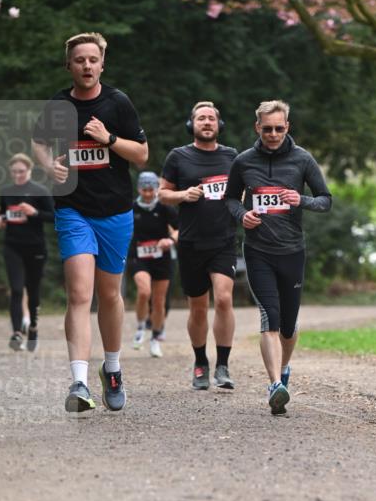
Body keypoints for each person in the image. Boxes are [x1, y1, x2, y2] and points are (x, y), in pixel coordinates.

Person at [31, 32, 148, 413]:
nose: (86, 66)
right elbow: (38, 143)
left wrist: (109, 137)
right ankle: (79, 382)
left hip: (115, 211)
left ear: (101, 64)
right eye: (79, 60)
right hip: (72, 208)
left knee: (110, 295)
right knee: (80, 294)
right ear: (69, 65)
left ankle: (111, 369)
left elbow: (142, 155)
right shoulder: (57, 106)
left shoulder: (118, 103)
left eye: (92, 60)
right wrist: (48, 163)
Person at [225, 99, 332, 415]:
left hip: (292, 251)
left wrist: (302, 199)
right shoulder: (244, 162)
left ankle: (283, 369)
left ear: (288, 127)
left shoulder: (302, 160)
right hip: (258, 251)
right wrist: (242, 215)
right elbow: (231, 199)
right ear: (257, 127)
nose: (273, 134)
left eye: (279, 128)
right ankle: (275, 385)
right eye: (267, 128)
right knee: (269, 316)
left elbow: (326, 200)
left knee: (288, 325)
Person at [158, 101, 238, 390]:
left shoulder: (232, 156)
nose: (206, 122)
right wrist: (183, 194)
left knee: (225, 299)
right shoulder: (178, 157)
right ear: (191, 124)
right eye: (201, 118)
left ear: (219, 125)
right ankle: (201, 361)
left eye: (211, 119)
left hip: (223, 240)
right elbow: (162, 194)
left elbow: (244, 191)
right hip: (191, 242)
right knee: (198, 308)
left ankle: (224, 366)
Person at [0, 153, 54, 352]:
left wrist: (34, 213)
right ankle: (17, 333)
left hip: (35, 248)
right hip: (12, 246)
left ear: (29, 170)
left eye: (21, 171)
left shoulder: (40, 191)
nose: (17, 175)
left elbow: (55, 216)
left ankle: (34, 328)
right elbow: (3, 212)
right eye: (14, 172)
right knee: (17, 289)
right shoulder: (7, 191)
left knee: (33, 292)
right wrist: (0, 220)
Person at [128, 171, 178, 356]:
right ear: (139, 189)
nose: (148, 194)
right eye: (144, 190)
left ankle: (155, 338)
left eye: (151, 190)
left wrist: (171, 240)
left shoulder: (165, 207)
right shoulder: (131, 208)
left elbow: (180, 229)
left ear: (156, 189)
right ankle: (141, 327)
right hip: (139, 256)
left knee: (159, 302)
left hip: (161, 257)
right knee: (144, 291)